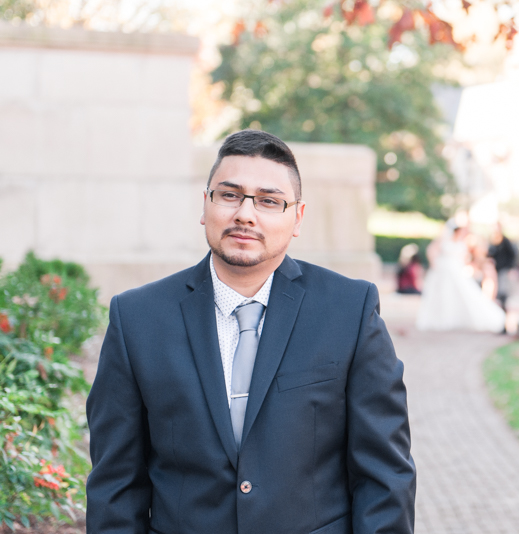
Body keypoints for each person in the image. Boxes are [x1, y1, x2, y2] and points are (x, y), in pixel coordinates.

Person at [85, 130, 416, 534]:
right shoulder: (137, 317)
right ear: (205, 205)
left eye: (268, 201)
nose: (245, 213)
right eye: (229, 195)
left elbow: (384, 475)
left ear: (297, 217)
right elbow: (115, 483)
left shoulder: (349, 309)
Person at [416, 222, 505, 333]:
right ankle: (443, 318)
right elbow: (431, 251)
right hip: (443, 270)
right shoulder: (443, 240)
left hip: (456, 270)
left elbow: (465, 258)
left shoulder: (463, 242)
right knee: (443, 294)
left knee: (461, 293)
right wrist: (434, 263)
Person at [488, 223, 517, 312]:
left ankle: (503, 309)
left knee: (502, 290)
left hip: (503, 269)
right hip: (495, 270)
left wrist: (510, 267)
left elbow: (512, 255)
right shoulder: (492, 241)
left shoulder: (505, 241)